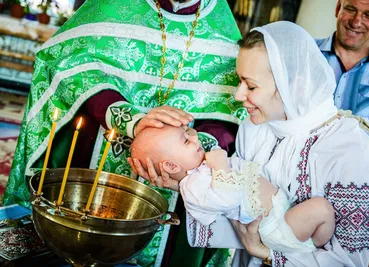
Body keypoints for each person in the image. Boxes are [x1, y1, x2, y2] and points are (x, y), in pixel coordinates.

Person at [3, 0, 245, 266]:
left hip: (181, 180)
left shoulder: (220, 22)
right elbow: (62, 61)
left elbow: (233, 111)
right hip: (95, 151)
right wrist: (131, 120)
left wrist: (194, 153)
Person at [142, 21, 369, 266]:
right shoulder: (255, 127)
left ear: (292, 84)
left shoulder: (352, 151)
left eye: (250, 85)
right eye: (240, 82)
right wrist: (192, 185)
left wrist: (270, 255)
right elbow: (241, 210)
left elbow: (348, 262)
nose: (238, 95)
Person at [129, 125, 335, 253]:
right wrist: (220, 165)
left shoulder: (198, 174)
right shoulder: (193, 186)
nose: (195, 138)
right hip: (276, 226)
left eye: (188, 134)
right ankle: (315, 250)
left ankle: (313, 248)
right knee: (321, 208)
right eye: (186, 140)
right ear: (171, 166)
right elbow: (227, 200)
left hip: (281, 217)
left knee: (320, 210)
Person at [315, 0, 369, 223]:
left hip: (353, 195)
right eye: (351, 9)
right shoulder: (307, 53)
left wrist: (354, 143)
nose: (356, 21)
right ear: (337, 8)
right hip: (292, 177)